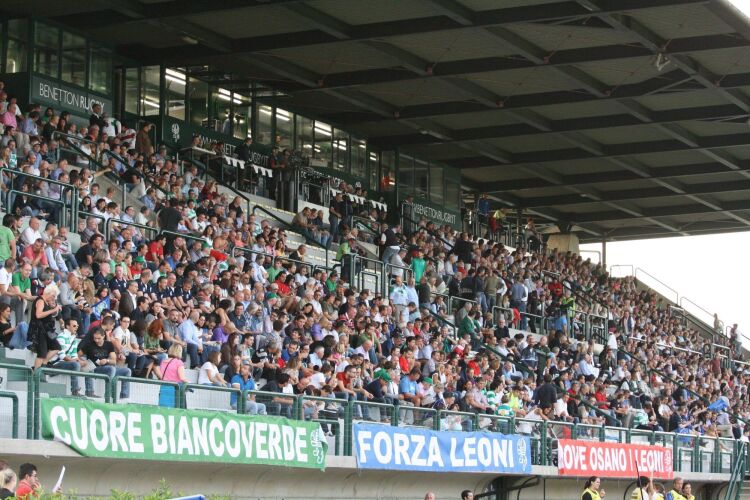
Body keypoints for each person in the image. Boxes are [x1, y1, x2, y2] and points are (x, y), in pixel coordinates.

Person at [29, 283, 62, 371]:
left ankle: (43, 364)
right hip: (39, 330)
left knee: (56, 347)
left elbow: (51, 314)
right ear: (49, 293)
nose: (54, 298)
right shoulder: (40, 300)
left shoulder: (46, 302)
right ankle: (36, 372)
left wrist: (54, 310)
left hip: (46, 330)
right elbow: (38, 315)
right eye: (53, 296)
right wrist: (52, 310)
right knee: (41, 354)